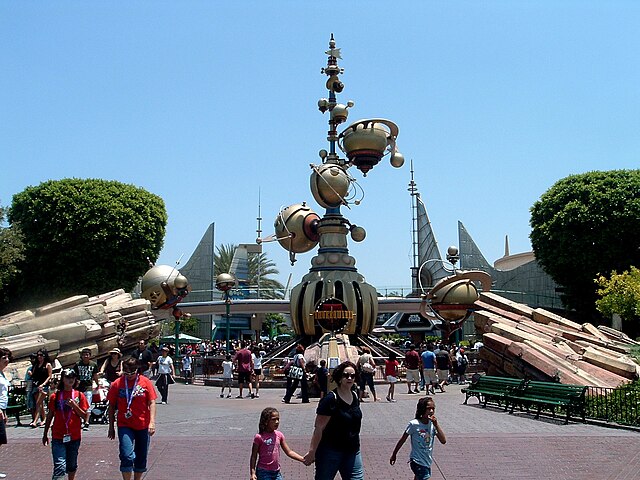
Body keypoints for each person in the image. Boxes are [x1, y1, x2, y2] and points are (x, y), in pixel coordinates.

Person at [303, 361, 363, 480]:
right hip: (330, 451)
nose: (349, 378)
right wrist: (312, 452)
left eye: (352, 375)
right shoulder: (330, 399)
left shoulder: (355, 396)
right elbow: (319, 428)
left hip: (352, 450)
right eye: (346, 375)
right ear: (339, 377)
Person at [107, 356, 157, 480]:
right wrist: (111, 426)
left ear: (137, 370)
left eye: (132, 372)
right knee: (126, 455)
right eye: (126, 372)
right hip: (125, 424)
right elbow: (111, 405)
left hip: (142, 424)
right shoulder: (117, 383)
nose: (129, 375)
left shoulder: (145, 382)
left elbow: (152, 402)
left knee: (141, 455)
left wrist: (152, 422)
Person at [42, 368, 89, 480]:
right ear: (62, 379)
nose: (70, 380)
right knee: (60, 466)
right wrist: (45, 433)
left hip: (74, 436)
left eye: (72, 377)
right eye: (67, 377)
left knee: (72, 465)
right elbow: (50, 416)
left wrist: (74, 406)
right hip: (58, 435)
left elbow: (85, 416)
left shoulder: (79, 395)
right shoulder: (55, 396)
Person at [389, 396, 447, 480]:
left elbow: (443, 440)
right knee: (424, 477)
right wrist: (394, 454)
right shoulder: (414, 424)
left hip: (427, 461)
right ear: (422, 409)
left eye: (433, 409)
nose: (431, 411)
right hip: (417, 461)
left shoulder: (432, 424)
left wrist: (436, 425)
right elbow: (403, 439)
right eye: (428, 408)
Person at [250, 407, 304, 480]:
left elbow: (289, 452)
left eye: (278, 419)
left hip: (276, 472)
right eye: (273, 419)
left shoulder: (279, 435)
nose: (277, 422)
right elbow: (253, 456)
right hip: (263, 471)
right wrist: (253, 473)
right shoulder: (259, 437)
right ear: (266, 421)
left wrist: (302, 459)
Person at [73, 348, 99, 430]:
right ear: (81, 356)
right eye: (84, 355)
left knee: (87, 405)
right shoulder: (77, 365)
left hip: (88, 387)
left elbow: (95, 375)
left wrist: (97, 384)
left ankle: (87, 422)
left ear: (90, 356)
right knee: (78, 405)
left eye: (87, 354)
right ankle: (80, 420)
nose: (86, 356)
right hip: (79, 388)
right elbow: (74, 375)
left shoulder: (93, 365)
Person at [30, 348, 53, 428]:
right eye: (38, 355)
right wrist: (31, 374)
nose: (39, 357)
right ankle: (44, 419)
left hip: (44, 386)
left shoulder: (47, 365)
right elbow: (34, 375)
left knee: (38, 403)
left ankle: (35, 421)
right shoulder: (36, 365)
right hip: (36, 385)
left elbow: (49, 376)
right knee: (40, 404)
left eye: (41, 355)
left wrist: (43, 384)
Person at [0, 347, 13, 479]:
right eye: (4, 358)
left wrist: (4, 411)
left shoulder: (2, 374)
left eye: (8, 358)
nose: (7, 360)